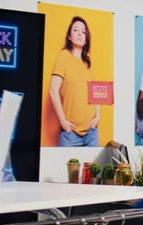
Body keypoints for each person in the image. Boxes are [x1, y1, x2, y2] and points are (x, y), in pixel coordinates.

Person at [49, 16, 100, 147]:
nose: (80, 33)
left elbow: (95, 92)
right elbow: (53, 91)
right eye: (76, 30)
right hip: (70, 135)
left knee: (95, 168)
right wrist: (63, 123)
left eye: (83, 31)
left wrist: (97, 117)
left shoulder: (87, 63)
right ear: (69, 37)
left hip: (92, 133)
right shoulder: (64, 57)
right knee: (68, 168)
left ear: (86, 38)